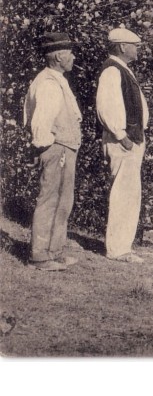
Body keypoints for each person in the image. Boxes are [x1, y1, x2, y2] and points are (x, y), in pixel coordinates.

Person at [22, 32, 83, 271]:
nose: (74, 57)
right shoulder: (48, 83)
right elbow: (40, 120)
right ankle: (39, 256)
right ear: (59, 56)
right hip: (56, 147)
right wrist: (46, 145)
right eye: (70, 53)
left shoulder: (57, 79)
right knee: (50, 199)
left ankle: (54, 251)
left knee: (63, 200)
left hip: (64, 147)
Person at [96, 27, 149, 263]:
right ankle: (117, 249)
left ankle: (123, 246)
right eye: (134, 45)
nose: (137, 49)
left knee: (129, 194)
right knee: (122, 194)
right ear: (121, 46)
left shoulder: (123, 69)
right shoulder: (112, 70)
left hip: (132, 139)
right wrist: (122, 136)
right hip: (123, 141)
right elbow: (106, 107)